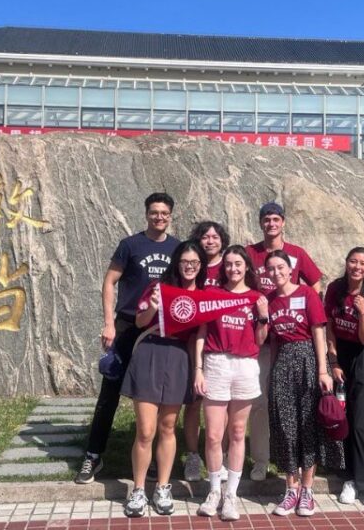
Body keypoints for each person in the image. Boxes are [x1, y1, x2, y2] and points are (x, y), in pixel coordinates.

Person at [76, 193, 179, 485]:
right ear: (146, 214)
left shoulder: (177, 248)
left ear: (171, 216)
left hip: (159, 330)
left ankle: (158, 462)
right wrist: (109, 324)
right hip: (127, 326)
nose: (159, 217)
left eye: (164, 213)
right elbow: (109, 282)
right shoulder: (130, 245)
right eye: (154, 212)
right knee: (109, 394)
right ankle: (93, 455)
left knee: (160, 398)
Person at [121, 240, 206, 518]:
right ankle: (137, 489)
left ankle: (162, 487)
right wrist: (152, 306)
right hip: (151, 351)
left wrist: (198, 369)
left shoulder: (203, 296)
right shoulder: (159, 287)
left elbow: (200, 335)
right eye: (184, 262)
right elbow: (140, 322)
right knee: (146, 430)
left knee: (168, 427)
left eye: (194, 263)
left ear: (200, 265)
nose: (189, 267)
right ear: (176, 263)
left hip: (179, 356)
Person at [246, 201, 322, 481]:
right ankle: (261, 460)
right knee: (260, 403)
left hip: (292, 342)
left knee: (297, 406)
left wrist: (302, 305)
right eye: (266, 219)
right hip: (261, 339)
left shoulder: (297, 253)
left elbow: (315, 283)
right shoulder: (251, 253)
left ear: (283, 222)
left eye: (276, 219)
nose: (271, 224)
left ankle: (299, 461)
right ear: (261, 223)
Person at [264, 250, 342, 517]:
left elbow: (318, 331)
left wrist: (323, 370)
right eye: (271, 269)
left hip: (308, 359)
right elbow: (273, 340)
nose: (276, 273)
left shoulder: (307, 294)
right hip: (283, 363)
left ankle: (307, 489)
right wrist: (272, 372)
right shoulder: (270, 301)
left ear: (290, 269)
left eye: (280, 267)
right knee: (285, 426)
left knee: (308, 425)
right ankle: (290, 488)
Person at [193, 245, 268, 521]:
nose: (233, 269)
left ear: (247, 267)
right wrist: (198, 368)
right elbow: (201, 331)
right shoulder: (212, 294)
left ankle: (231, 496)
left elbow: (261, 338)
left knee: (237, 432)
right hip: (216, 362)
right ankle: (214, 490)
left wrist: (262, 314)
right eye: (228, 264)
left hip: (246, 365)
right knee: (214, 434)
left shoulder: (257, 297)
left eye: (238, 264)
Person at [325, 248, 364, 507]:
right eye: (353, 261)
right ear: (346, 263)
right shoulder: (334, 289)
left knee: (362, 420)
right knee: (343, 417)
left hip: (362, 355)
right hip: (341, 355)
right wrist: (334, 362)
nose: (357, 267)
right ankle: (349, 477)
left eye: (362, 263)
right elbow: (329, 327)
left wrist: (362, 311)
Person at [182, 221, 232, 482]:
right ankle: (192, 455)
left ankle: (219, 455)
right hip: (192, 338)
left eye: (215, 236)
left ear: (222, 240)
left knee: (220, 404)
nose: (210, 240)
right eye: (205, 236)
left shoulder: (230, 265)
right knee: (193, 399)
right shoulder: (191, 263)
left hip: (220, 340)